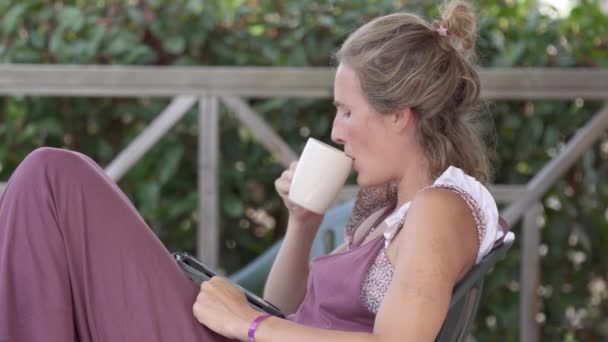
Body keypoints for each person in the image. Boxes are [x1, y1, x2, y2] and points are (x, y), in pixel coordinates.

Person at [0, 0, 506, 341]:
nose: (336, 130)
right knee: (51, 181)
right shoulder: (395, 208)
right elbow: (288, 306)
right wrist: (303, 223)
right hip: (238, 332)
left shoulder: (440, 209)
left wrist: (249, 324)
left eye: (347, 111)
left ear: (398, 115)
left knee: (52, 178)